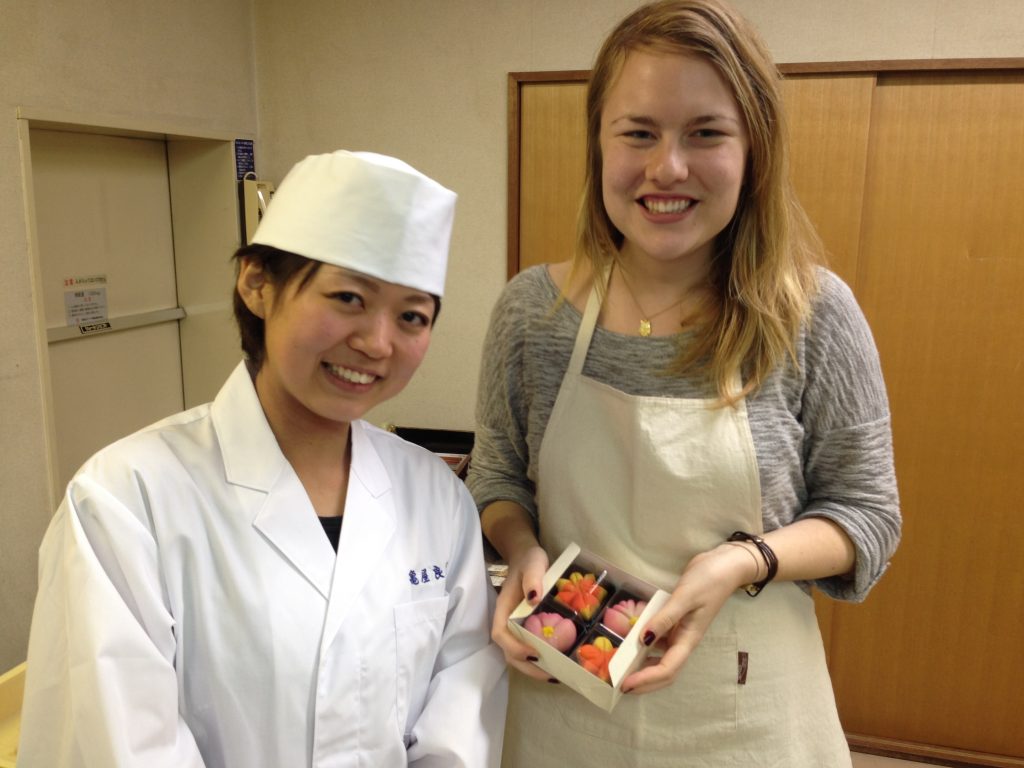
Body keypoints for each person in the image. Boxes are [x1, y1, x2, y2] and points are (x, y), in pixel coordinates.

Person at [467, 1, 900, 765]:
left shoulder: (811, 315)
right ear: (599, 143)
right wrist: (521, 548)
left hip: (747, 713)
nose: (668, 168)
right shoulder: (533, 312)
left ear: (754, 150)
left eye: (705, 133)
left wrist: (739, 561)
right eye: (638, 132)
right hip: (565, 698)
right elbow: (499, 476)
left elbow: (866, 516)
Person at [19, 150, 507, 767]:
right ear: (257, 284)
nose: (378, 342)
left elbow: (460, 706)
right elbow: (115, 747)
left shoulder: (435, 496)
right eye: (349, 298)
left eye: (411, 315)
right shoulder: (125, 500)